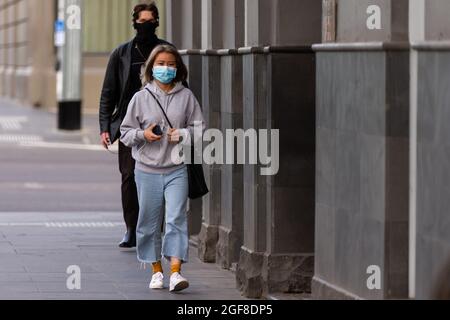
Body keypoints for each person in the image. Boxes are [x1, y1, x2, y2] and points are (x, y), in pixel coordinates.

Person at [120, 45, 205, 292]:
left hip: (177, 169)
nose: (165, 68)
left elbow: (200, 129)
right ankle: (156, 272)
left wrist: (183, 134)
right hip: (146, 170)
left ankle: (176, 272)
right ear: (151, 68)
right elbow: (125, 133)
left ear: (178, 68)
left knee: (176, 218)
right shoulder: (140, 98)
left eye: (170, 64)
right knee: (148, 223)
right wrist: (143, 134)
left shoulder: (187, 97)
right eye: (161, 64)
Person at [99, 2, 173, 248]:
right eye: (141, 22)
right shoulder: (121, 54)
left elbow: (182, 86)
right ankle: (131, 228)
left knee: (160, 176)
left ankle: (155, 227)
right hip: (129, 125)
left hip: (161, 125)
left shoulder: (167, 52)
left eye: (150, 22)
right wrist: (104, 127)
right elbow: (108, 92)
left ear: (157, 22)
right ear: (134, 23)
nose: (145, 26)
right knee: (129, 176)